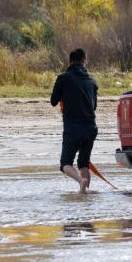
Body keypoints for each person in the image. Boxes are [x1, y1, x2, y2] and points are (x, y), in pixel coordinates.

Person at [51, 48, 99, 193]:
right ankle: (85, 193)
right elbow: (94, 106)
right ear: (84, 61)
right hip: (91, 128)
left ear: (70, 61)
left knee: (65, 163)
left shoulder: (63, 78)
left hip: (73, 129)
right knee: (84, 163)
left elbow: (53, 101)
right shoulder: (92, 82)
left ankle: (80, 181)